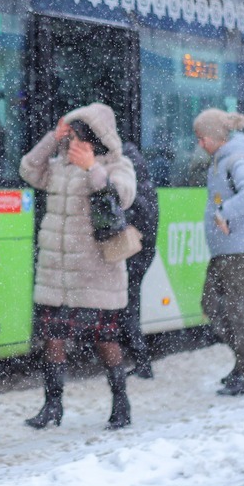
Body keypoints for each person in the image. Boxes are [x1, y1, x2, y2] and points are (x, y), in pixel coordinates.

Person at [20, 103, 137, 431]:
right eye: (69, 135)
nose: (71, 142)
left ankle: (121, 402)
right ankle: (52, 405)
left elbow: (124, 196)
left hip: (95, 272)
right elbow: (29, 169)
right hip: (57, 275)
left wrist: (91, 168)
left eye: (77, 136)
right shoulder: (59, 166)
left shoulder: (116, 163)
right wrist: (50, 138)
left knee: (105, 342)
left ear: (96, 138)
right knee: (53, 339)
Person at [194, 109, 244, 396]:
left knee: (236, 309)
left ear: (213, 137)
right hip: (225, 249)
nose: (199, 144)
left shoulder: (236, 158)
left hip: (239, 248)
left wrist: (224, 212)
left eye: (201, 138)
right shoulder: (220, 159)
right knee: (211, 304)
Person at [119, 140, 161, 379]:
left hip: (134, 254)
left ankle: (142, 361)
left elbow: (141, 219)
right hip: (139, 253)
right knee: (128, 307)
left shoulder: (135, 187)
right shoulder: (143, 183)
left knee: (128, 308)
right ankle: (140, 359)